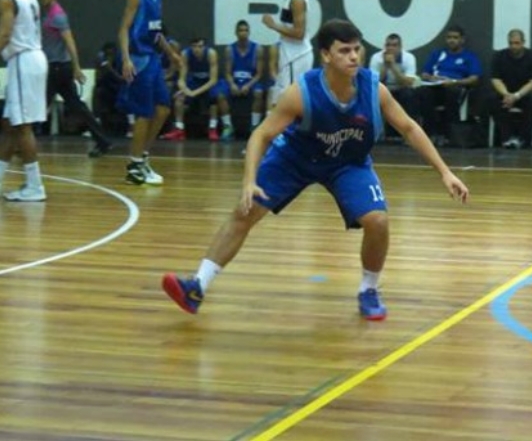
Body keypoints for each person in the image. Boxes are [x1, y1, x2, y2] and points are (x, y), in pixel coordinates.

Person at [161, 19, 469, 320]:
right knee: (245, 211)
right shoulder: (302, 92)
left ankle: (369, 290)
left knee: (378, 221)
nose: (353, 56)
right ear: (325, 55)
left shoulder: (373, 89)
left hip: (348, 162)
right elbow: (262, 134)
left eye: (356, 50)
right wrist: (249, 180)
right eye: (344, 51)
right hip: (296, 157)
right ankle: (197, 285)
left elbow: (409, 128)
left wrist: (445, 171)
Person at [117, 0, 181, 186]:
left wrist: (171, 53)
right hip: (138, 59)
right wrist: (125, 59)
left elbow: (156, 31)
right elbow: (123, 29)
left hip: (153, 57)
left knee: (163, 108)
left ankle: (142, 158)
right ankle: (134, 166)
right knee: (144, 112)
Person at [38, 0, 113, 158]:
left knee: (39, 105)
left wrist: (76, 68)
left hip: (58, 69)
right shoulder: (47, 14)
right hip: (55, 68)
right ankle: (103, 141)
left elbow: (70, 41)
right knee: (76, 107)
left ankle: (21, 142)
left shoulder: (58, 16)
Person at [0, 0, 48, 202]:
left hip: (22, 61)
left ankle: (35, 185)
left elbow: (5, 35)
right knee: (9, 124)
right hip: (34, 58)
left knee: (21, 125)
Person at [418, 24, 482, 146]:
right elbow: (424, 74)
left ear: (462, 40)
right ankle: (430, 134)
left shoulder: (469, 56)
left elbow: (474, 78)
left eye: (455, 37)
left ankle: (448, 135)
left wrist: (454, 81)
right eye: (449, 37)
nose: (451, 40)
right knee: (423, 93)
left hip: (456, 87)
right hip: (436, 86)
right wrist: (432, 78)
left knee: (451, 93)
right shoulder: (437, 54)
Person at [262, 0, 313, 107]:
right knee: (279, 96)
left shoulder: (297, 0)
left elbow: (299, 33)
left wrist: (273, 25)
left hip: (296, 56)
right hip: (289, 54)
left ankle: (293, 129)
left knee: (292, 99)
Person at [161, 37, 232, 142]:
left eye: (200, 46)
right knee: (179, 98)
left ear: (204, 47)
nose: (197, 49)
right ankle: (179, 129)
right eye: (194, 46)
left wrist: (194, 93)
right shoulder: (185, 54)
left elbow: (213, 80)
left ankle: (221, 127)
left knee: (216, 96)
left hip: (211, 82)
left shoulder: (211, 54)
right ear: (190, 47)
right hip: (195, 81)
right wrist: (185, 90)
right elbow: (181, 79)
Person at [489, 29, 532, 149]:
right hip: (505, 93)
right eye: (511, 43)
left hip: (524, 94)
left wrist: (517, 96)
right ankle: (507, 138)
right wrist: (506, 94)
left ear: (523, 42)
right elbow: (496, 79)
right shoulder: (499, 57)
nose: (513, 46)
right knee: (493, 99)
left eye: (517, 43)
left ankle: (524, 139)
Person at [217, 20, 266, 135]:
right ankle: (227, 126)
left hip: (250, 81)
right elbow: (227, 73)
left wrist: (248, 85)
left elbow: (259, 74)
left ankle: (255, 126)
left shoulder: (258, 49)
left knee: (259, 93)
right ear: (236, 33)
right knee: (220, 94)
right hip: (234, 81)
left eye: (245, 30)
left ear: (249, 32)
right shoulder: (230, 49)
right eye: (240, 30)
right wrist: (232, 84)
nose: (243, 33)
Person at [368, 32, 419, 124]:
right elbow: (373, 82)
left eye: (394, 45)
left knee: (409, 94)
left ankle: (409, 127)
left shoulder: (409, 58)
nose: (390, 48)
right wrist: (385, 66)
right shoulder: (376, 58)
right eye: (388, 45)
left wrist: (393, 66)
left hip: (401, 89)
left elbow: (408, 82)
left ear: (400, 47)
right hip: (384, 89)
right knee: (372, 94)